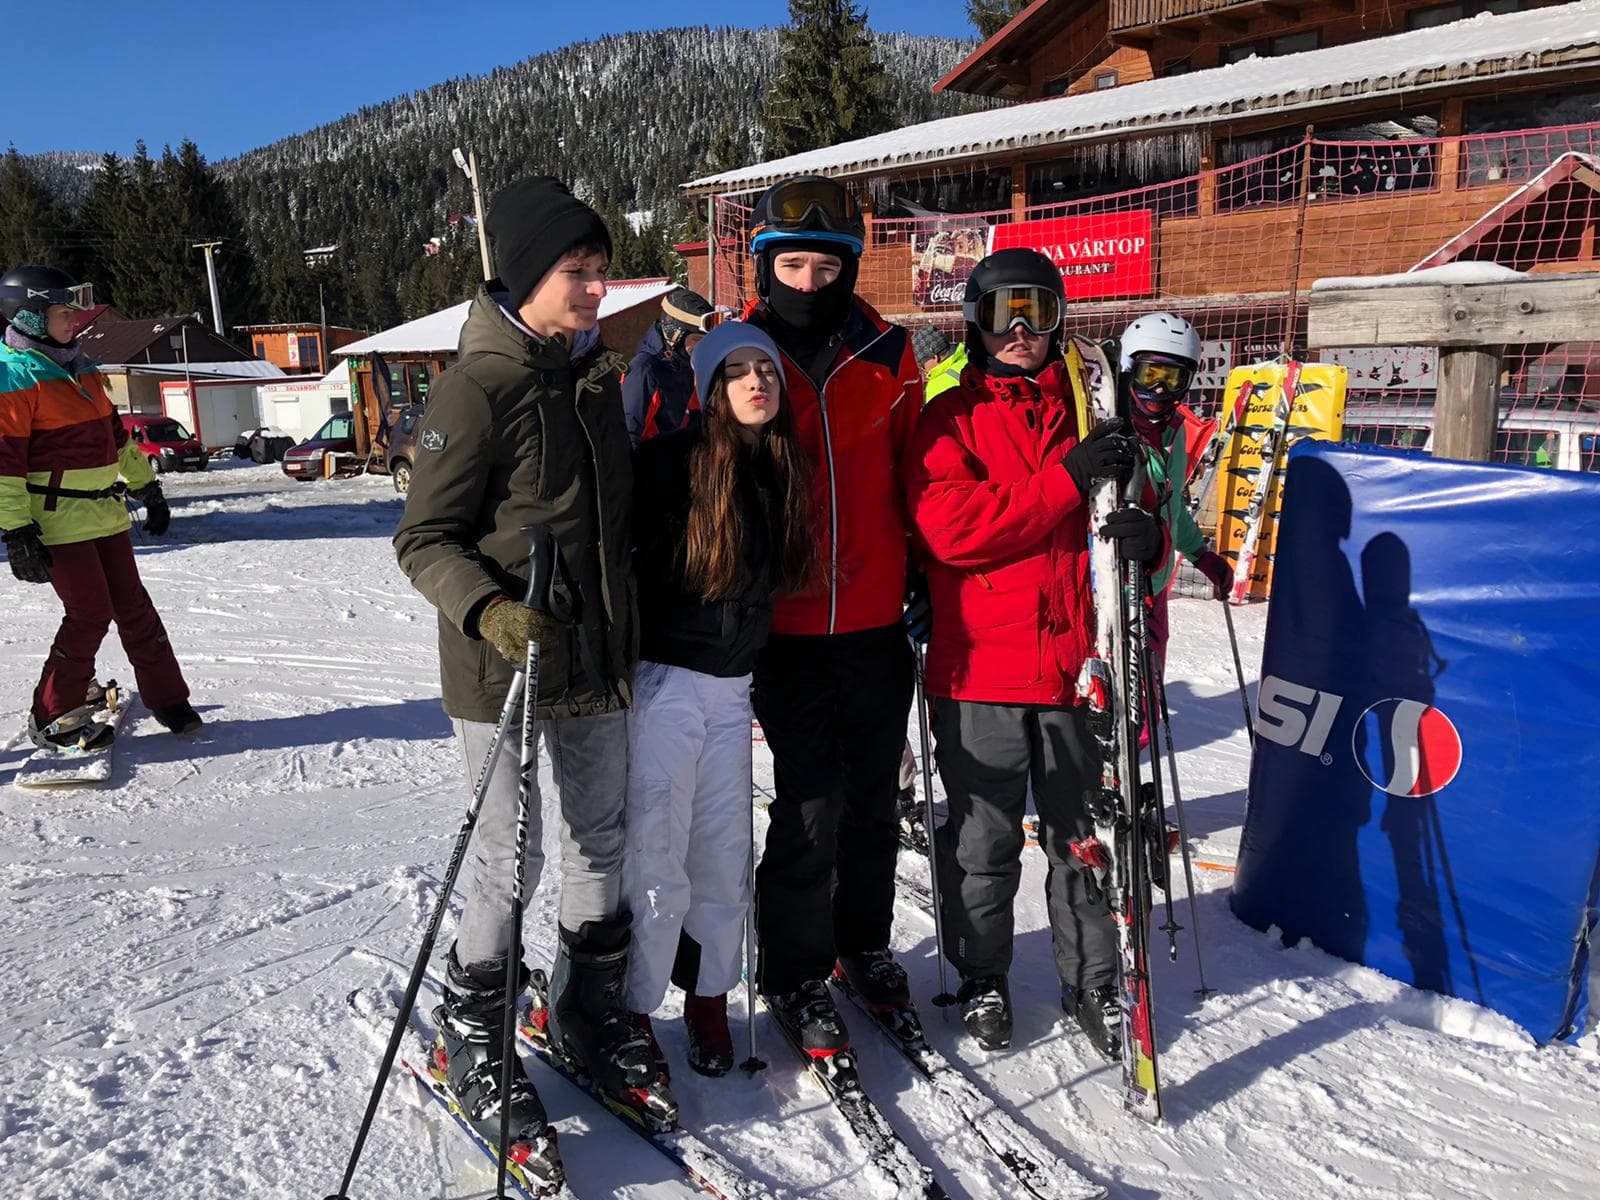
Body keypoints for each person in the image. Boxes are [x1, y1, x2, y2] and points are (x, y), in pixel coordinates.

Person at [392, 176, 669, 1168]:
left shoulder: (595, 378)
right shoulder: (478, 386)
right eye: (575, 272)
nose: (596, 290)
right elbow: (423, 538)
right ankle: (472, 1031)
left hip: (594, 657)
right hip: (500, 665)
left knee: (602, 840)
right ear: (523, 276)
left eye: (601, 271)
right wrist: (492, 610)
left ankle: (584, 1008)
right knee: (510, 861)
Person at [903, 248, 1163, 1061]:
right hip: (980, 667)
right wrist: (1064, 480)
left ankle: (1093, 980)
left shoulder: (1095, 412)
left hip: (1078, 666)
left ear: (1060, 320)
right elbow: (951, 530)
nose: (1020, 330)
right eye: (1001, 312)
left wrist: (1148, 540)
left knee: (1082, 839)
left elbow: (1140, 514)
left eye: (1038, 312)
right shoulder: (949, 416)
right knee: (982, 844)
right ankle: (983, 975)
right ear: (973, 323)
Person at [739, 174, 922, 1056]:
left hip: (877, 623)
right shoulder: (740, 354)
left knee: (873, 803)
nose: (808, 283)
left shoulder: (889, 352)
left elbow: (915, 473)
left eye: (826, 266)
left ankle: (862, 942)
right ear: (765, 265)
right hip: (786, 630)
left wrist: (925, 573)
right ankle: (795, 970)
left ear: (850, 267)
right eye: (792, 266)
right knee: (810, 805)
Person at [622, 321, 817, 1077]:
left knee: (724, 856)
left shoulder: (781, 470)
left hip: (733, 693)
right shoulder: (668, 464)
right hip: (666, 683)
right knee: (656, 859)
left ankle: (708, 998)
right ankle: (635, 1008)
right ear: (710, 388)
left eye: (765, 370)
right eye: (736, 372)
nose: (755, 382)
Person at [0, 265, 199, 750]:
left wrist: (147, 488)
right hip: (55, 519)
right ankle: (52, 715)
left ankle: (168, 699)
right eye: (62, 313)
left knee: (133, 605)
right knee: (90, 612)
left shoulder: (82, 367)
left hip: (105, 512)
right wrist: (17, 531)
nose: (74, 320)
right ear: (28, 316)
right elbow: (4, 464)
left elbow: (118, 440)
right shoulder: (12, 376)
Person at [1117, 313, 1233, 688]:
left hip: (1155, 588)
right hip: (1116, 593)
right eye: (1150, 375)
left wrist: (1200, 554)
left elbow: (1172, 506)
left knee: (1147, 696)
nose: (1159, 390)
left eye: (1173, 379)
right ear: (1128, 368)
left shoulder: (1174, 432)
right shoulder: (1107, 428)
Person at [622, 286, 717, 446]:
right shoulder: (645, 371)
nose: (704, 346)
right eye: (697, 339)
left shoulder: (693, 364)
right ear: (675, 335)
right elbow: (629, 435)